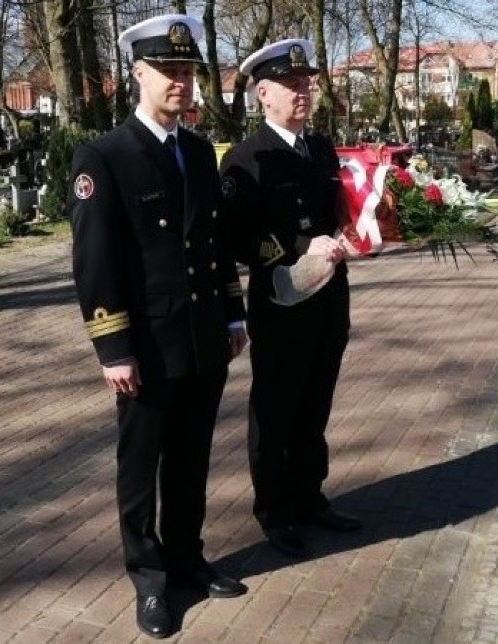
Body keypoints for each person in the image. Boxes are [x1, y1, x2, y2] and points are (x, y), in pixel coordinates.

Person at [68, 13, 248, 639]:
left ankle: (187, 558)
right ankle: (148, 580)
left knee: (193, 459)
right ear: (137, 75)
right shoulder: (106, 156)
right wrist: (113, 348)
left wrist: (231, 313)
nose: (182, 82)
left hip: (201, 335)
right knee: (140, 466)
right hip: (145, 342)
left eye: (189, 71)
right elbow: (95, 262)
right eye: (169, 71)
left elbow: (216, 244)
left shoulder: (199, 152)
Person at [219, 38, 361, 560]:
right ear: (263, 95)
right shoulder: (246, 160)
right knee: (276, 410)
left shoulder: (320, 149)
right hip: (282, 306)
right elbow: (238, 240)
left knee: (315, 404)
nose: (303, 92)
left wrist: (360, 232)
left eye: (307, 83)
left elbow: (341, 211)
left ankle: (310, 495)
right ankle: (275, 511)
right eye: (291, 85)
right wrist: (302, 245)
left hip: (329, 300)